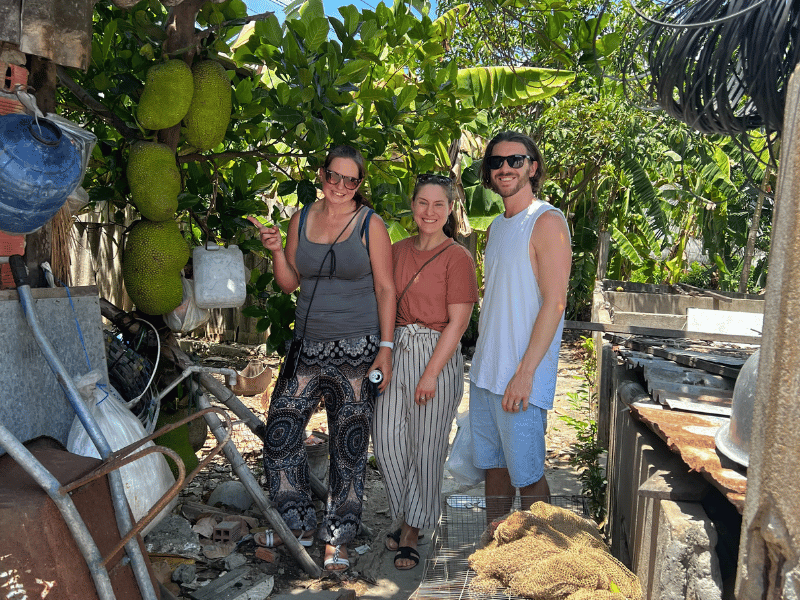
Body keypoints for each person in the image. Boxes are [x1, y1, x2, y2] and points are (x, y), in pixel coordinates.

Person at [247, 145, 396, 571]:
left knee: (348, 446)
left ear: (360, 184)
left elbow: (386, 289)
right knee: (280, 432)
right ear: (322, 174)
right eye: (335, 176)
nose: (342, 186)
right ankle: (299, 521)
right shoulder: (301, 219)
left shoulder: (372, 225)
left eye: (352, 180)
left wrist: (384, 350)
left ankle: (339, 537)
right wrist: (277, 249)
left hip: (357, 348)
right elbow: (290, 283)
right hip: (307, 346)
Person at [372, 174, 478, 570]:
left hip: (436, 353)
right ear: (412, 206)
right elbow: (382, 299)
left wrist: (431, 373)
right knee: (386, 441)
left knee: (427, 447)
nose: (429, 212)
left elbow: (459, 323)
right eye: (422, 203)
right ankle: (407, 511)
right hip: (395, 348)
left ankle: (413, 527)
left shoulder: (458, 258)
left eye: (438, 205)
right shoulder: (396, 251)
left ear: (450, 209)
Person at [468, 131, 572, 522]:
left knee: (527, 476)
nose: (505, 168)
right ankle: (497, 545)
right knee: (494, 468)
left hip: (520, 376)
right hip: (486, 374)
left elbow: (555, 302)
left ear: (533, 166)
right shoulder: (496, 227)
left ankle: (542, 560)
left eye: (515, 159)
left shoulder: (546, 221)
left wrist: (525, 373)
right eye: (496, 162)